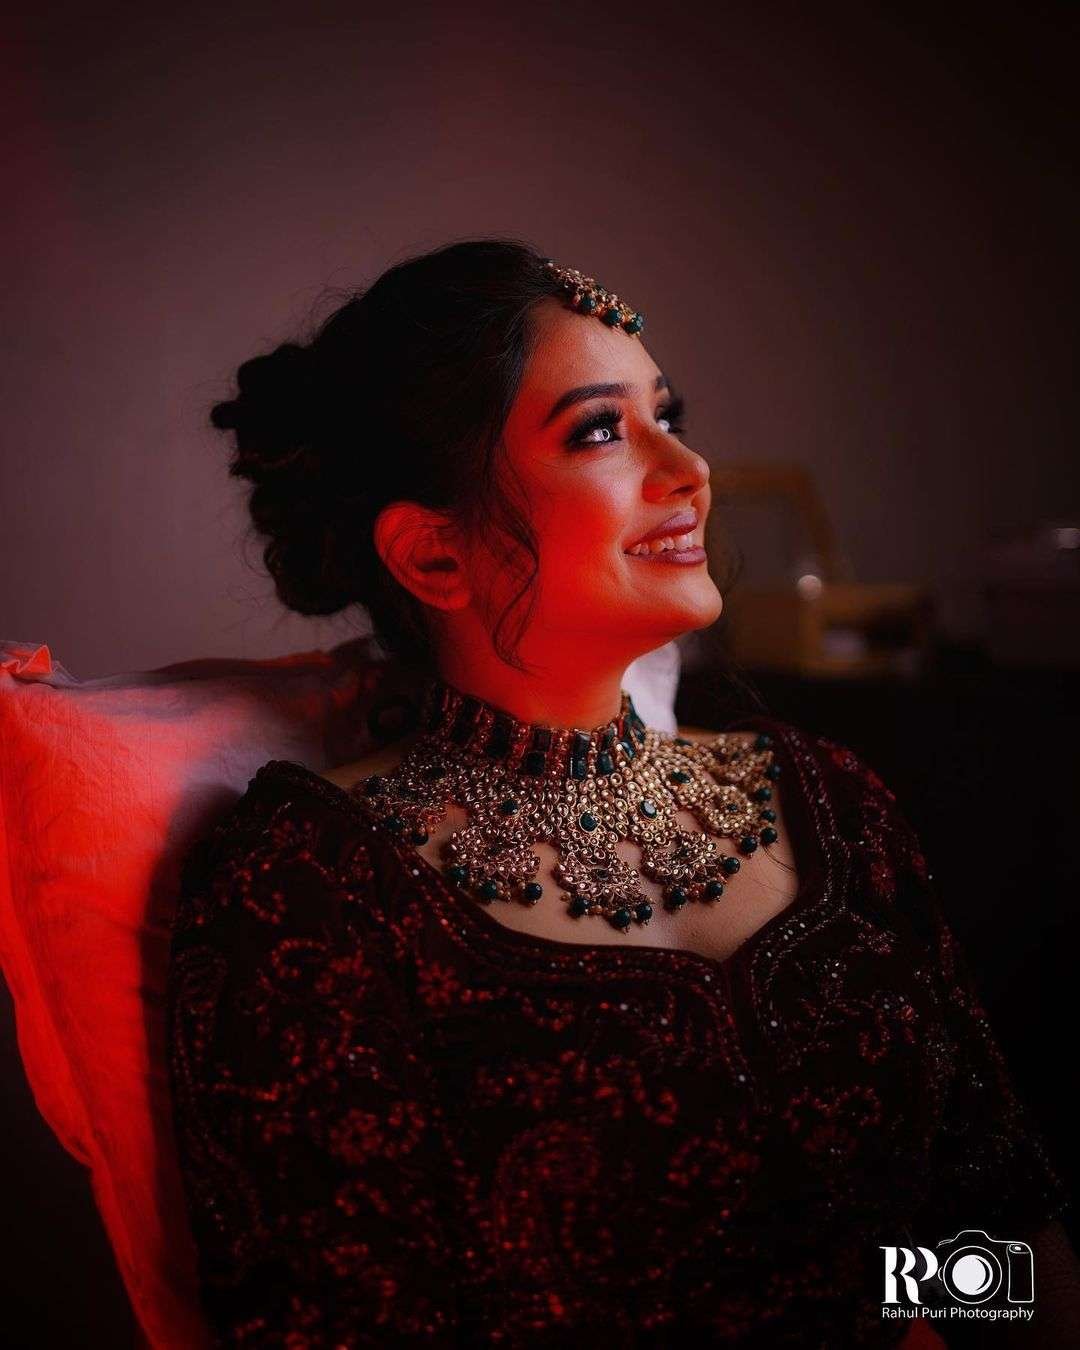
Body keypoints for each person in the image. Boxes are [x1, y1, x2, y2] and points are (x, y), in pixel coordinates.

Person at [167, 239, 1076, 1347]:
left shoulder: (830, 803)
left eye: (667, 414)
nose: (689, 467)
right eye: (601, 430)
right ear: (435, 557)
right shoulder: (314, 884)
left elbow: (992, 1233)